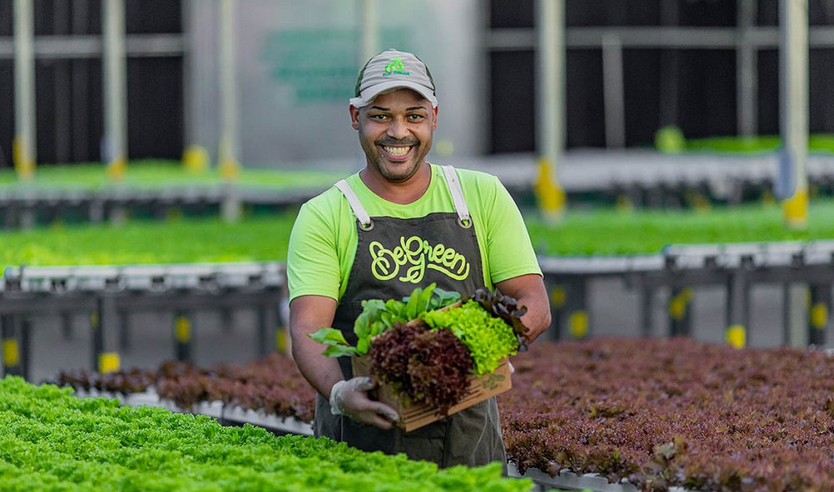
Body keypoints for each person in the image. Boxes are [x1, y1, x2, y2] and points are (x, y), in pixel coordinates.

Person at [287, 49, 550, 470]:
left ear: (434, 116)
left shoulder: (481, 195)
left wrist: (480, 348)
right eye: (380, 116)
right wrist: (340, 394)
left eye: (413, 115)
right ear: (355, 116)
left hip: (471, 450)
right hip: (362, 453)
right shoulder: (326, 214)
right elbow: (308, 330)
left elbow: (533, 302)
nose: (398, 132)